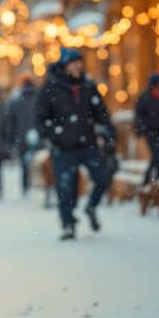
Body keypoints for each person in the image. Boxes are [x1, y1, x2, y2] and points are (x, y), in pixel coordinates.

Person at [35, 48, 113, 240]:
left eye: (79, 61)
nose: (78, 65)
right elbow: (40, 118)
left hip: (88, 145)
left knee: (102, 180)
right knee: (65, 188)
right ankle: (68, 224)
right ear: (65, 65)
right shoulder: (51, 87)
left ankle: (91, 207)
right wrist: (55, 135)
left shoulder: (88, 86)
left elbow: (102, 114)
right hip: (64, 148)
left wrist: (108, 134)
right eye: (73, 62)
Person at [4, 75, 41, 196]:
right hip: (39, 136)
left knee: (24, 164)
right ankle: (38, 185)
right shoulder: (39, 99)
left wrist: (11, 139)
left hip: (21, 137)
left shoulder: (16, 101)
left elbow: (10, 122)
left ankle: (26, 186)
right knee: (38, 162)